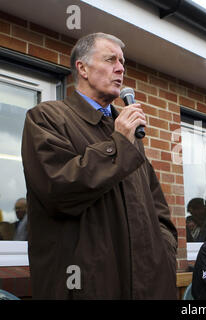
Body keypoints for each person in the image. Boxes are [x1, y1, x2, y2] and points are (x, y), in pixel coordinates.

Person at [21, 32, 178, 299]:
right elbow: (59, 189)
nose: (120, 68)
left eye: (122, 63)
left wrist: (163, 252)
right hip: (87, 286)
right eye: (110, 59)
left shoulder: (129, 136)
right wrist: (117, 143)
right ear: (82, 67)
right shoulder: (47, 118)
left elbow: (158, 209)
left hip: (147, 285)